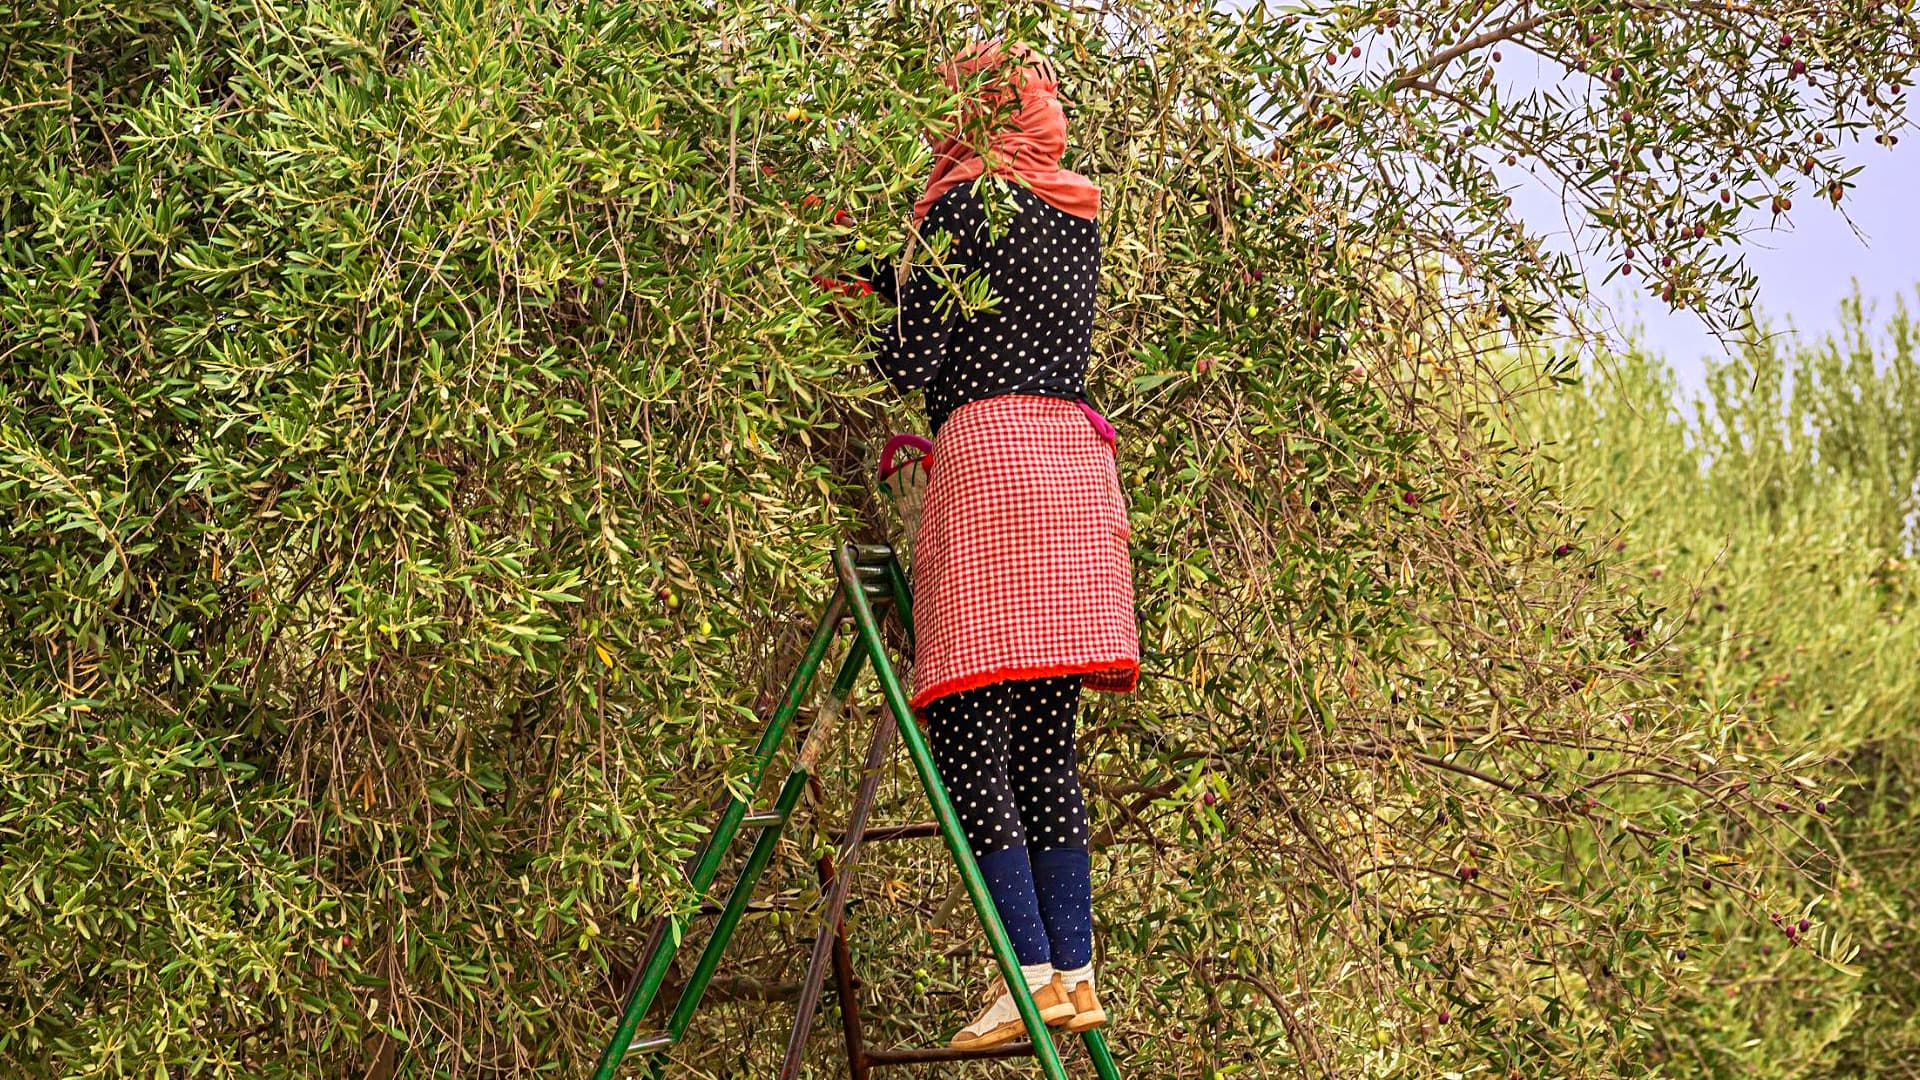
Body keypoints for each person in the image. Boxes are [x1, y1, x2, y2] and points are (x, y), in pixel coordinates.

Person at [855, 39, 1140, 1051]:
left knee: (972, 735)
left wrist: (858, 296)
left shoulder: (960, 206)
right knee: (1046, 744)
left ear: (971, 114)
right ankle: (1075, 976)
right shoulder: (1074, 212)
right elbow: (999, 317)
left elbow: (911, 361)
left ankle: (1023, 976)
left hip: (992, 472)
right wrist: (892, 278)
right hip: (1073, 469)